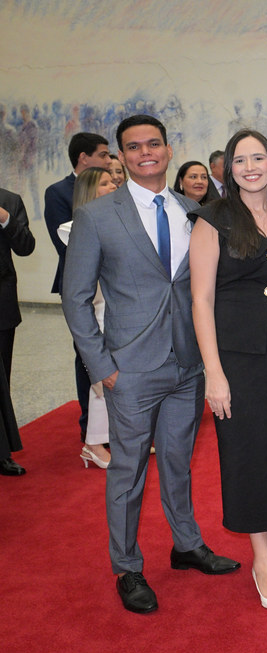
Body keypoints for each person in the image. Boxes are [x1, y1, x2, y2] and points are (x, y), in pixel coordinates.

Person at [62, 114, 240, 615]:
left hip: (187, 365)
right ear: (121, 156)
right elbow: (75, 299)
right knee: (129, 470)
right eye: (134, 146)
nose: (146, 153)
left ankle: (186, 545)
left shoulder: (194, 210)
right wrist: (102, 366)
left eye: (154, 144)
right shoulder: (98, 216)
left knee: (179, 462)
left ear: (167, 149)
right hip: (131, 368)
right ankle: (127, 566)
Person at [190, 129, 267, 614]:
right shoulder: (212, 219)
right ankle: (262, 558)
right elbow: (200, 299)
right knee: (247, 451)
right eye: (240, 160)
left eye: (258, 158)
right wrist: (213, 373)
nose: (250, 167)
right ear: (228, 168)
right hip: (236, 355)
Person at [45, 131, 111, 441]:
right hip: (83, 287)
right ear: (84, 158)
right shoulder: (58, 192)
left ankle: (114, 426)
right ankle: (91, 429)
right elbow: (65, 245)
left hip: (113, 289)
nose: (108, 161)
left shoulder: (114, 188)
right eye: (103, 154)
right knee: (88, 356)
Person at [57, 168, 119, 468]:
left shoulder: (116, 221)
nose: (113, 185)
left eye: (114, 181)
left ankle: (105, 439)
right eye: (105, 183)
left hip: (117, 308)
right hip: (98, 312)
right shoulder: (73, 228)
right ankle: (94, 443)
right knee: (102, 378)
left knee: (113, 382)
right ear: (88, 191)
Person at [0, 186, 35, 476]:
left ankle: (1, 452)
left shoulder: (9, 201)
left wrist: (4, 218)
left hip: (1, 306)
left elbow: (26, 246)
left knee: (1, 381)